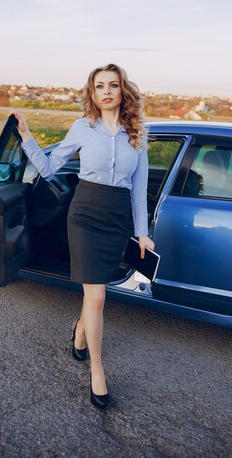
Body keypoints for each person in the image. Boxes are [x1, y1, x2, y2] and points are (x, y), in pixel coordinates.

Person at [12, 63, 154, 409]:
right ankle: (97, 370)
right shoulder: (82, 128)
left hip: (115, 218)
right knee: (99, 297)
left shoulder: (137, 134)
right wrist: (28, 137)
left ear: (123, 91)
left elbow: (139, 189)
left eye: (113, 85)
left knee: (94, 294)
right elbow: (48, 168)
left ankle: (79, 332)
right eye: (99, 86)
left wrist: (142, 234)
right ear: (92, 93)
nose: (106, 91)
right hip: (85, 217)